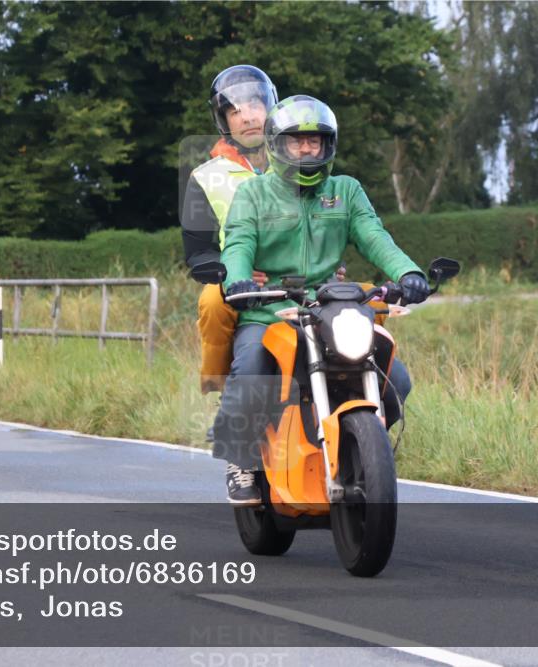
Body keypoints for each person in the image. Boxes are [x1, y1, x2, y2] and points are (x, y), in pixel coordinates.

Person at [214, 95, 430, 504]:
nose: (306, 149)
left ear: (327, 145)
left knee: (396, 379)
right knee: (252, 366)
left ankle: (363, 450)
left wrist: (408, 273)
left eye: (315, 141)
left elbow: (374, 236)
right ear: (277, 144)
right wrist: (238, 281)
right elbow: (238, 243)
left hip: (328, 307)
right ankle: (241, 459)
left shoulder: (346, 191)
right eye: (296, 141)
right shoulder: (253, 195)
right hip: (267, 307)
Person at [181, 65, 277, 394]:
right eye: (234, 111)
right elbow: (198, 253)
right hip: (239, 283)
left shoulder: (302, 162)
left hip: (301, 274)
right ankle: (218, 385)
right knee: (211, 301)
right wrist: (233, 272)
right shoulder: (204, 177)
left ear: (270, 107)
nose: (246, 117)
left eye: (253, 105)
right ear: (224, 121)